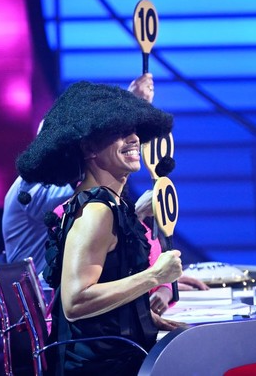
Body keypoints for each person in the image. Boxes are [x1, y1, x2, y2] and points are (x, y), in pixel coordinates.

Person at [16, 81, 184, 374]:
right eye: (118, 132)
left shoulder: (111, 205)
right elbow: (76, 302)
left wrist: (146, 318)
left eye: (134, 130)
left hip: (121, 357)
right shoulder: (96, 211)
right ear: (89, 148)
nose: (133, 138)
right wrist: (155, 275)